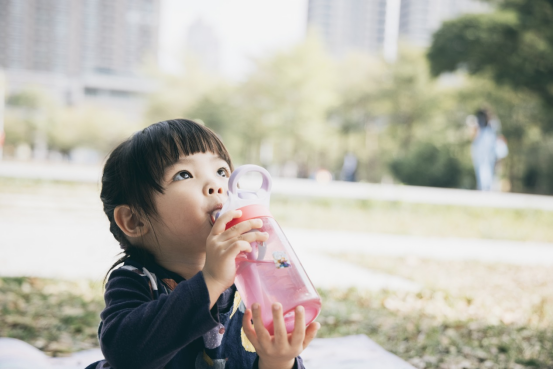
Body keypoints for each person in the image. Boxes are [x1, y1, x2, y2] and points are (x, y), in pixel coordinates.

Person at [86, 119, 319, 369]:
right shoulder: (135, 280)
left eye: (221, 172)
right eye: (183, 174)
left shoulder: (251, 278)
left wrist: (277, 359)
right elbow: (125, 354)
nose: (216, 186)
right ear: (135, 220)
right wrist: (211, 280)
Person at [468, 109, 507, 191]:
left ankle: (485, 187)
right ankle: (485, 186)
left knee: (485, 168)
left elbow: (473, 137)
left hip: (486, 151)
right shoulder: (489, 125)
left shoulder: (491, 125)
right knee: (486, 168)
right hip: (485, 151)